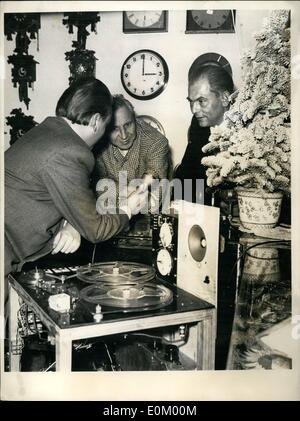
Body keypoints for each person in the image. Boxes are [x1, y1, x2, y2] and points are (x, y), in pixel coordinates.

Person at [5, 78, 147, 276]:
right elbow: (96, 230)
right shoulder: (70, 151)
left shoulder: (47, 130)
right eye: (107, 127)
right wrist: (128, 209)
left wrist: (71, 224)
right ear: (97, 121)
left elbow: (53, 192)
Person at [92, 94, 170, 210]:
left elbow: (154, 191)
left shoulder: (157, 142)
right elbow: (98, 187)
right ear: (105, 127)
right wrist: (126, 191)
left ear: (135, 119)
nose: (124, 136)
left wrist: (116, 191)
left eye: (128, 125)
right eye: (114, 128)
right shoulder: (97, 143)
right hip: (109, 213)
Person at [174, 64, 234, 205]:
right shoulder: (198, 125)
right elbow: (186, 179)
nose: (194, 110)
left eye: (201, 101)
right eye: (191, 102)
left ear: (225, 98)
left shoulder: (249, 128)